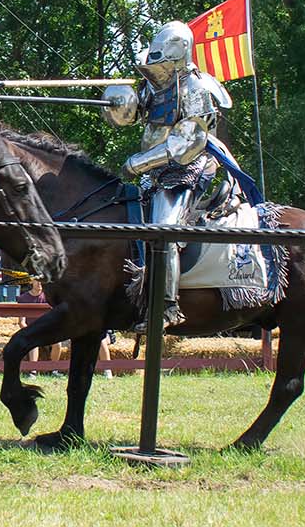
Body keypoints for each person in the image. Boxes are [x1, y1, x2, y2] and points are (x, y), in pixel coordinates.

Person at [98, 19, 246, 328]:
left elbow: (187, 143)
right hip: (156, 172)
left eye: (161, 57)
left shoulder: (196, 88)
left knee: (163, 229)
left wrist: (139, 162)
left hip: (188, 170)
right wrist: (117, 102)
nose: (155, 66)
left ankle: (164, 308)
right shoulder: (156, 86)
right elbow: (132, 115)